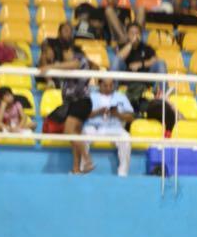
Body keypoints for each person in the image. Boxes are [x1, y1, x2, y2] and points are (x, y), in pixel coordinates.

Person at [40, 44, 94, 175]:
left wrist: (50, 66)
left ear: (69, 50)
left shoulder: (80, 59)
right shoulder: (68, 64)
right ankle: (76, 168)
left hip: (80, 101)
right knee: (74, 135)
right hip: (73, 103)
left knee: (69, 131)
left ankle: (87, 160)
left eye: (64, 54)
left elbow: (75, 64)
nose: (64, 58)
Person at [86, 77, 135, 177]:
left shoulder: (121, 97)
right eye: (105, 86)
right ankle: (83, 169)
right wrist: (98, 112)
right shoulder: (90, 96)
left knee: (126, 138)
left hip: (115, 128)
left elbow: (131, 117)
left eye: (111, 86)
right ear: (99, 84)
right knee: (82, 137)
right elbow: (83, 115)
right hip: (94, 127)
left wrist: (117, 114)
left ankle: (123, 173)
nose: (108, 88)